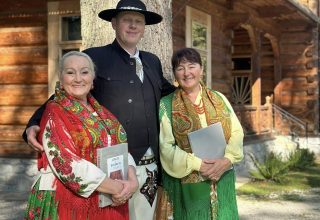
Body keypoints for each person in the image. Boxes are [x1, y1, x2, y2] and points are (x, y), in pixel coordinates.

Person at [22, 0, 175, 219]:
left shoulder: (152, 61)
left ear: (144, 28)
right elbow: (63, 94)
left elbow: (168, 93)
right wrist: (34, 123)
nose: (133, 26)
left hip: (148, 168)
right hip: (109, 173)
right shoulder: (96, 57)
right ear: (114, 24)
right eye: (126, 21)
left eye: (138, 22)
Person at [24, 51, 138, 220]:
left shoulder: (103, 113)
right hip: (67, 203)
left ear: (92, 80)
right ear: (61, 81)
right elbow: (67, 164)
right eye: (70, 72)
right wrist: (117, 188)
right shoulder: (54, 112)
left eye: (84, 72)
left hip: (106, 196)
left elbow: (119, 149)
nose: (78, 78)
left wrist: (133, 180)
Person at [157, 48, 244, 219]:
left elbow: (236, 131)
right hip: (190, 182)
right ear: (174, 74)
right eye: (180, 68)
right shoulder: (166, 105)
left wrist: (227, 160)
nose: (187, 73)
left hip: (223, 175)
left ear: (201, 70)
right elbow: (166, 148)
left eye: (192, 66)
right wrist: (200, 165)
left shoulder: (219, 98)